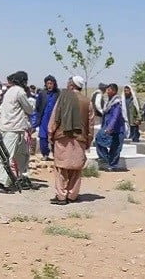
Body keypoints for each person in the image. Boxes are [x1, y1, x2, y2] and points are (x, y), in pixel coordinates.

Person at [47, 76, 92, 205]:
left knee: (61, 167)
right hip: (80, 139)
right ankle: (72, 195)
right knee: (76, 168)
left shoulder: (63, 98)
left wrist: (50, 133)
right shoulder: (87, 101)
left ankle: (61, 196)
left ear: (72, 85)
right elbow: (91, 123)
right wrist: (88, 140)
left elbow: (55, 117)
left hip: (62, 138)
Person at [0, 71, 35, 193]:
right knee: (9, 157)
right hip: (13, 129)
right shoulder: (20, 91)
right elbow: (29, 109)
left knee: (21, 155)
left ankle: (21, 178)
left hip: (13, 128)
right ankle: (1, 183)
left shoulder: (9, 91)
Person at [95, 83, 126, 171]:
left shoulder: (117, 103)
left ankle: (113, 166)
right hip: (106, 127)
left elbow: (115, 116)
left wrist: (110, 127)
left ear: (114, 91)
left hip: (117, 128)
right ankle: (106, 160)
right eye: (107, 89)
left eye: (110, 90)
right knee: (98, 140)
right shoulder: (108, 102)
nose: (107, 91)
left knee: (116, 148)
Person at [34, 75, 60, 161]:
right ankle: (45, 154)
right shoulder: (42, 93)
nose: (49, 85)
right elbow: (37, 106)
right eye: (48, 83)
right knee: (43, 138)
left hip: (54, 120)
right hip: (44, 119)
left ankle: (56, 155)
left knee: (54, 138)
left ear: (54, 84)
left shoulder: (58, 93)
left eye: (51, 83)